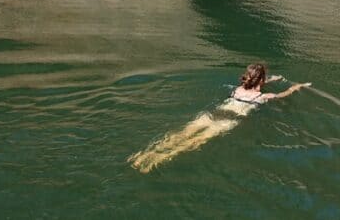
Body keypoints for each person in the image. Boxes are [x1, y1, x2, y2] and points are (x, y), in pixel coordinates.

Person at [128, 63, 311, 173]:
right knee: (194, 141)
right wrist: (298, 86)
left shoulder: (239, 88)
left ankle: (143, 155)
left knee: (180, 134)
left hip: (212, 115)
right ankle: (153, 162)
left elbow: (254, 82)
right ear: (262, 81)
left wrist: (270, 79)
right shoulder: (263, 96)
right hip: (226, 121)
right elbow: (284, 94)